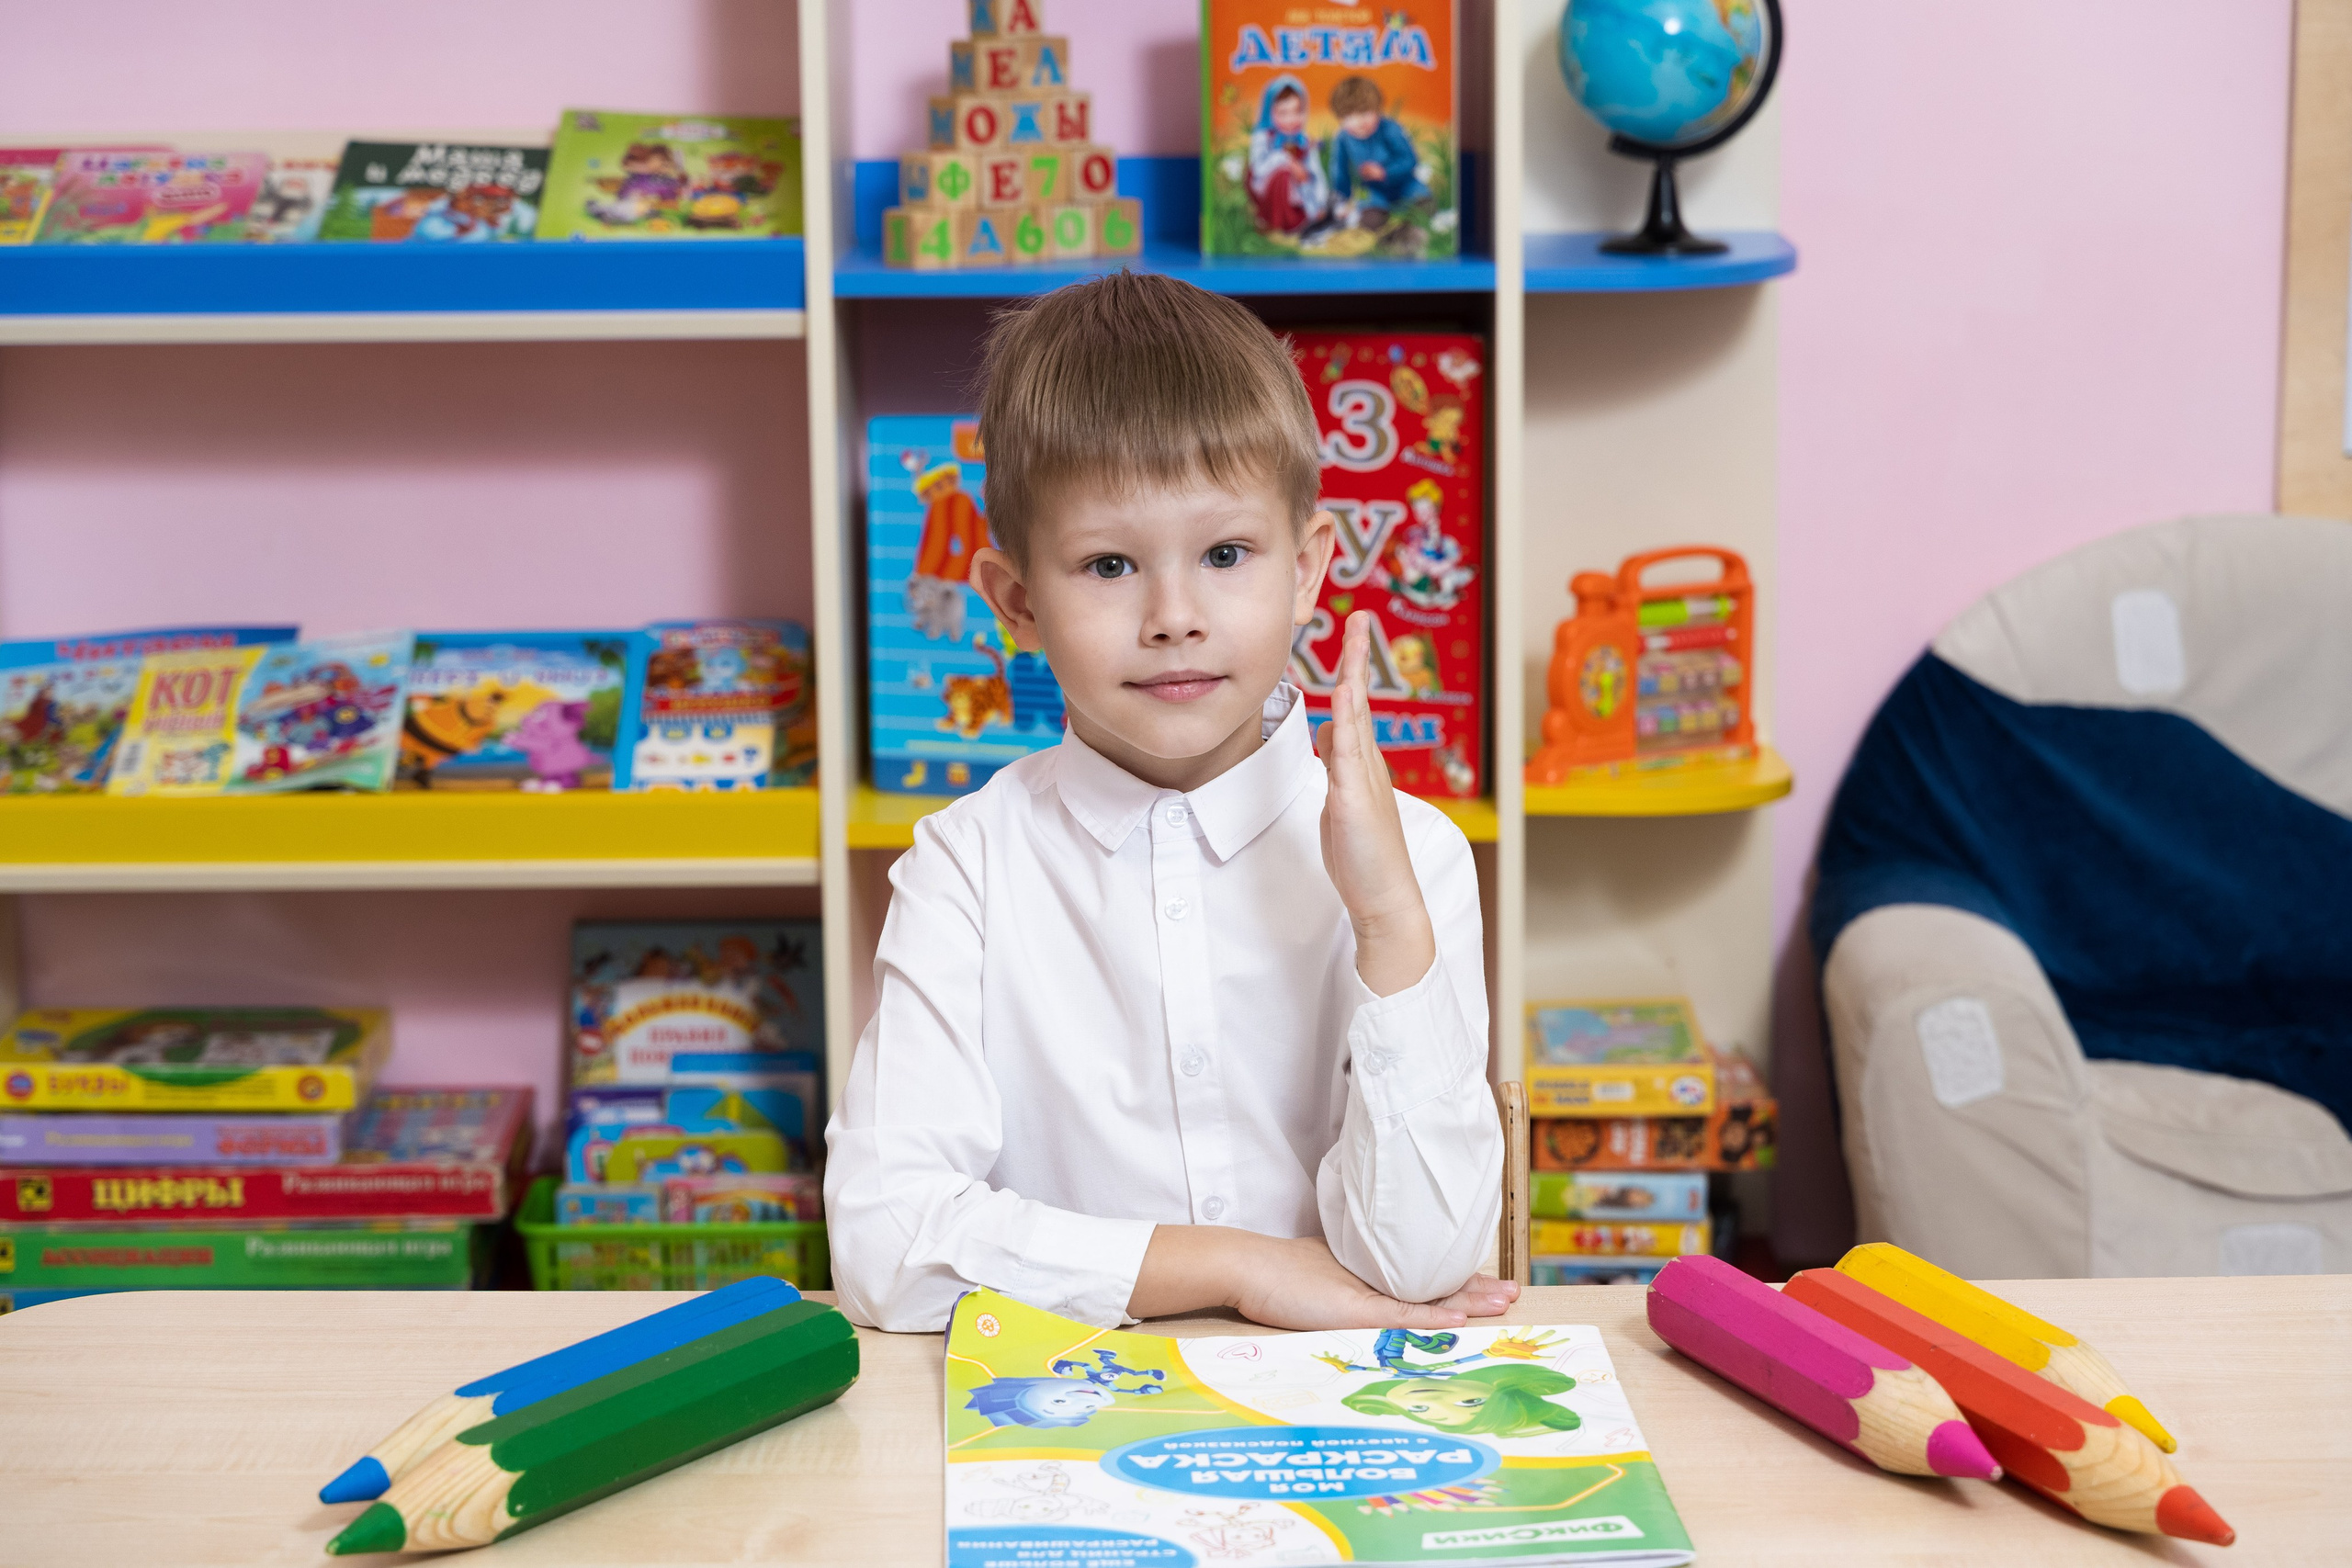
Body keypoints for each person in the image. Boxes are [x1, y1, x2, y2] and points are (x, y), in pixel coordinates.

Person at [826, 272, 1510, 1335]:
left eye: (1226, 554)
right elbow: (883, 1244)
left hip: (1332, 1428)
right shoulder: (966, 864)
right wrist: (1237, 1269)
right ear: (1016, 604)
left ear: (1308, 568)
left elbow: (1421, 1267)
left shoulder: (1410, 857)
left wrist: (1387, 925)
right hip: (1051, 1431)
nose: (1173, 617)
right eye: (1108, 565)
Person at [1328, 76, 1430, 230]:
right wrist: (1342, 199)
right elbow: (1339, 171)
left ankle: (1408, 225)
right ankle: (1383, 220)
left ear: (1377, 109)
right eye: (1349, 116)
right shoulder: (1343, 138)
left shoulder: (1390, 128)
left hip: (1404, 183)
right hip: (1371, 189)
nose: (1358, 122)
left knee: (1425, 207)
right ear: (1341, 118)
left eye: (1364, 113)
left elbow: (1409, 159)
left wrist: (1384, 172)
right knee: (1370, 221)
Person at [1245, 73, 1330, 239]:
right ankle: (1273, 222)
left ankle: (1302, 219)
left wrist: (1320, 202)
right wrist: (1288, 162)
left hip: (1300, 193)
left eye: (1297, 111)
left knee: (1307, 189)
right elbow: (1259, 169)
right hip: (1267, 188)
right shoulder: (1264, 136)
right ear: (1270, 113)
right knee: (1283, 174)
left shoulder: (1303, 140)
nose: (1291, 119)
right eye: (1283, 113)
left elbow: (1316, 172)